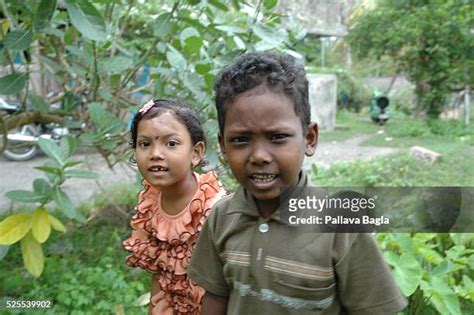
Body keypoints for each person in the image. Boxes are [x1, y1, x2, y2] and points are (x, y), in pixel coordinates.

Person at [188, 52, 408, 314]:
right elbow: (216, 299)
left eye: (278, 137)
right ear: (223, 145)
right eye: (241, 140)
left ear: (310, 138)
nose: (259, 156)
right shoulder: (221, 218)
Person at [123, 99, 227, 314]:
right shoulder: (150, 206)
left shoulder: (214, 207)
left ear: (195, 153)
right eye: (145, 144)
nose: (155, 154)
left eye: (171, 144)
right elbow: (159, 273)